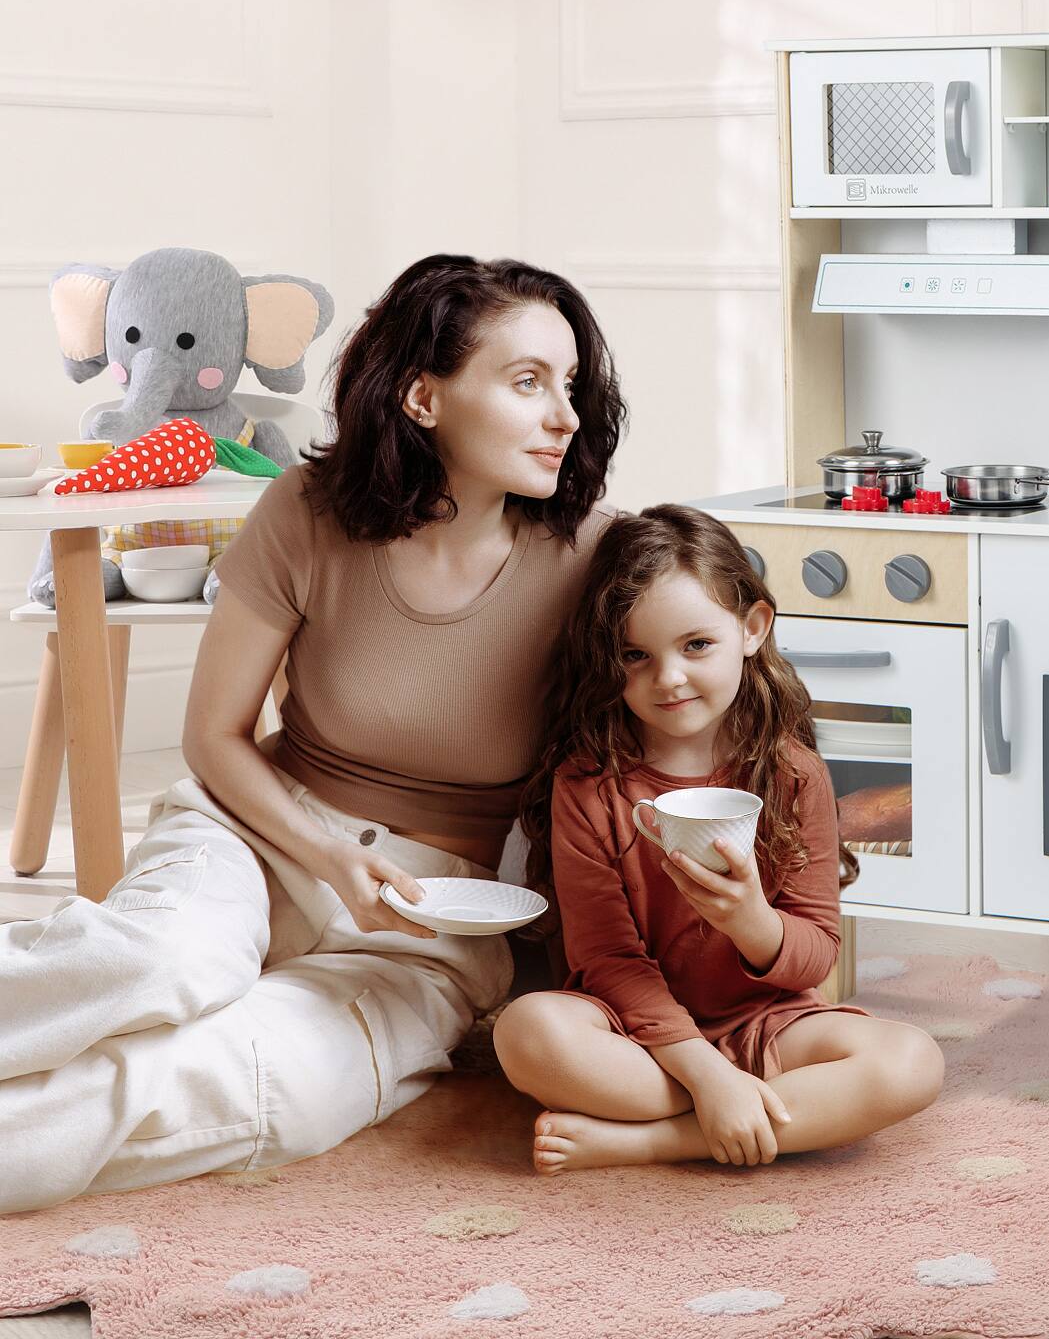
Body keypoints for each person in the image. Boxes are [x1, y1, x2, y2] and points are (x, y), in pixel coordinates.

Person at [0, 255, 624, 1213]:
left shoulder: (597, 557)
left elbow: (703, 691)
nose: (566, 417)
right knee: (163, 963)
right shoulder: (305, 512)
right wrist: (326, 854)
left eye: (571, 385)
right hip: (257, 830)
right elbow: (214, 735)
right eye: (528, 382)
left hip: (430, 925)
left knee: (252, 1084)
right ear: (423, 395)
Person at [493, 505, 943, 1174]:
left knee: (914, 1062)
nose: (668, 679)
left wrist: (752, 922)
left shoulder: (794, 775)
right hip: (637, 1037)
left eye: (696, 645)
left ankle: (656, 1141)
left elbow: (814, 957)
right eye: (635, 656)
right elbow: (608, 962)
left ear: (752, 628)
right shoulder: (588, 784)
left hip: (771, 1025)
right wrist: (709, 1077)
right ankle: (737, 1109)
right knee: (526, 1032)